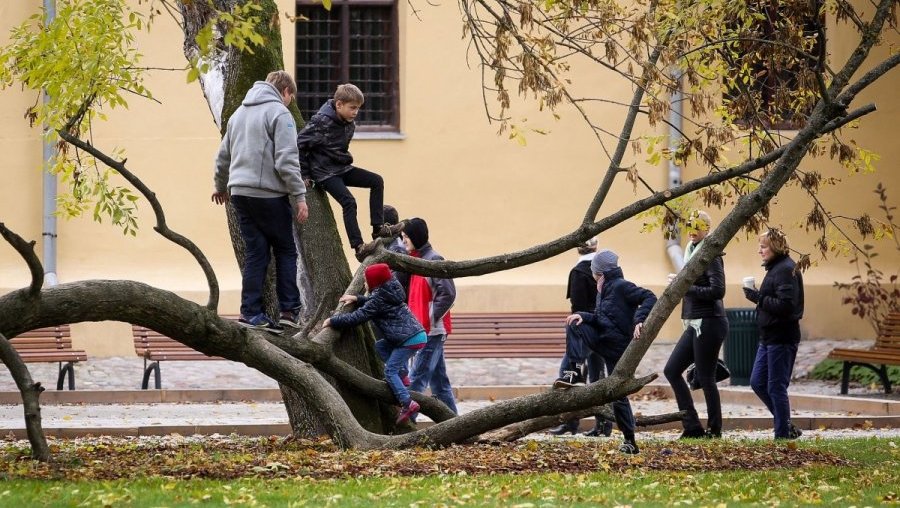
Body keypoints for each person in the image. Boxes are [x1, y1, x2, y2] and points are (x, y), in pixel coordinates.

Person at [212, 70, 309, 333]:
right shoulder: (279, 113)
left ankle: (250, 312)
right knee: (286, 250)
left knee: (256, 253)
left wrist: (220, 186)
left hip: (240, 194)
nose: (290, 102)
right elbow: (286, 160)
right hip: (268, 193)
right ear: (286, 91)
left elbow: (222, 157)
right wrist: (299, 197)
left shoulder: (238, 114)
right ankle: (289, 309)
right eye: (291, 97)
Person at [553, 250, 657, 454]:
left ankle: (629, 440)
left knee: (618, 394)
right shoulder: (604, 289)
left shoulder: (620, 286)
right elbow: (602, 318)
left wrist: (640, 320)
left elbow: (649, 297)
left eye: (593, 272)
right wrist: (583, 316)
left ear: (599, 273)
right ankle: (574, 372)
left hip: (617, 348)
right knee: (574, 323)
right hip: (603, 340)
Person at [296, 83, 402, 262]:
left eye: (358, 109)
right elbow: (299, 144)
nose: (355, 112)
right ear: (339, 105)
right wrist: (305, 174)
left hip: (342, 168)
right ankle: (359, 247)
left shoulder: (349, 123)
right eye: (352, 108)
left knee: (376, 181)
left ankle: (378, 228)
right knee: (349, 201)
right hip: (324, 173)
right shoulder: (320, 122)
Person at [323, 263, 426, 423]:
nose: (364, 284)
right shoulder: (390, 291)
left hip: (407, 339)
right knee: (381, 346)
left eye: (366, 281)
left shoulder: (379, 298)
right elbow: (373, 302)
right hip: (414, 334)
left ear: (375, 282)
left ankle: (407, 403)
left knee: (389, 372)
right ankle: (403, 375)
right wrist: (357, 298)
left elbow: (358, 317)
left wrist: (333, 321)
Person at [663, 211, 729, 439]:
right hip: (694, 322)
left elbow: (718, 291)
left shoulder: (710, 255)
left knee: (706, 376)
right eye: (689, 226)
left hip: (710, 322)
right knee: (671, 370)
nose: (692, 230)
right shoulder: (691, 252)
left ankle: (714, 430)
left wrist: (684, 286)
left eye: (698, 226)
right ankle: (692, 426)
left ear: (707, 229)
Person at [743, 229, 805, 440]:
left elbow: (787, 306)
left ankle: (782, 434)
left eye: (763, 247)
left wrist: (758, 298)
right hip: (768, 336)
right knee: (757, 382)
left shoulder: (786, 269)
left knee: (776, 386)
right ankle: (785, 424)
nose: (759, 251)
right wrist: (758, 297)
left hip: (782, 336)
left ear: (775, 247)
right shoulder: (775, 268)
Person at [549, 239, 612, 438]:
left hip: (583, 331)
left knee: (568, 374)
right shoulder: (608, 269)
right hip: (603, 329)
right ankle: (603, 425)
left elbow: (577, 307)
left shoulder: (578, 271)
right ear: (597, 246)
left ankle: (570, 422)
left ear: (578, 247)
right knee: (597, 378)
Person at [403, 217, 458, 418]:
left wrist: (429, 318)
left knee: (416, 378)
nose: (404, 241)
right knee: (439, 383)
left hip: (431, 331)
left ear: (415, 237)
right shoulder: (416, 260)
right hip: (423, 330)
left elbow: (449, 294)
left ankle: (406, 424)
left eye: (406, 237)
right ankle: (456, 423)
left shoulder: (433, 260)